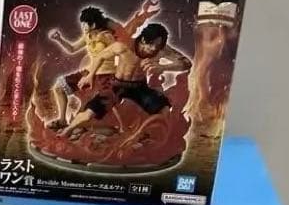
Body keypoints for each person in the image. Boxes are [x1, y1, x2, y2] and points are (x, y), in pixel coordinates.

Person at [61, 23, 191, 138]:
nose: (154, 49)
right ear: (143, 40)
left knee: (164, 109)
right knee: (89, 113)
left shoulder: (161, 49)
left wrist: (164, 67)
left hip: (139, 87)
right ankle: (67, 130)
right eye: (151, 45)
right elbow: (100, 57)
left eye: (158, 46)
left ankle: (153, 138)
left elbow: (186, 63)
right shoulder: (124, 46)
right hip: (118, 84)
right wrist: (90, 75)